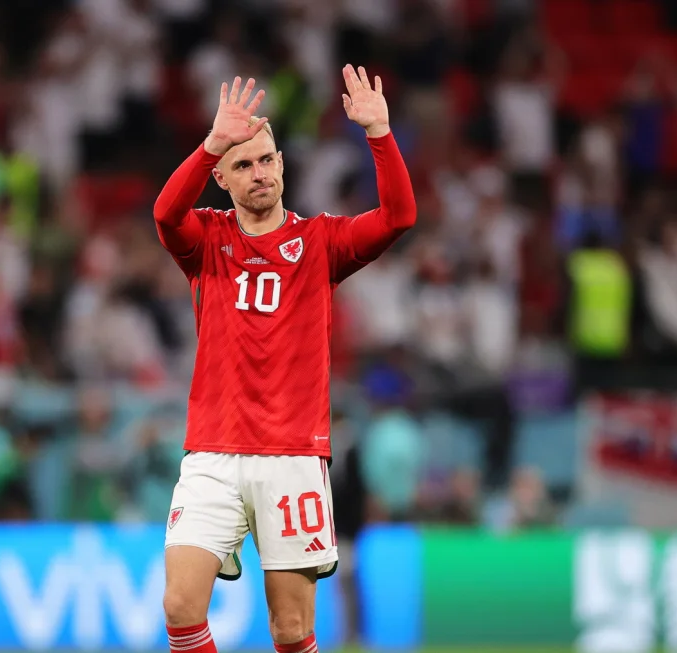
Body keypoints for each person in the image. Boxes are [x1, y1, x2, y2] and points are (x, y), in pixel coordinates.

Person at [154, 67, 416, 653]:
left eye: (267, 160)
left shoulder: (322, 243)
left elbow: (398, 218)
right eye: (242, 166)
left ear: (281, 163)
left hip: (293, 457)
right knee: (179, 607)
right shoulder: (207, 241)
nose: (260, 173)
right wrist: (209, 145)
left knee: (291, 630)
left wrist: (379, 134)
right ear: (220, 178)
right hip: (213, 454)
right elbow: (165, 215)